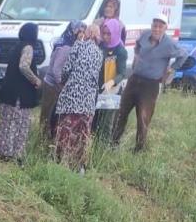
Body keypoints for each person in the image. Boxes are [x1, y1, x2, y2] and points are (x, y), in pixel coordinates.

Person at [112, 15, 188, 151]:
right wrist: (136, 56)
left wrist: (172, 68)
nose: (156, 29)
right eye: (155, 25)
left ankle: (139, 149)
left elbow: (184, 55)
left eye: (160, 26)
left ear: (165, 28)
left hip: (150, 84)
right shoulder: (145, 34)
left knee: (143, 117)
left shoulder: (169, 44)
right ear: (151, 26)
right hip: (134, 79)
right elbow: (137, 44)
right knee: (121, 112)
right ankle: (113, 143)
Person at [54, 25, 103, 171]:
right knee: (83, 132)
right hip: (88, 99)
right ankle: (79, 165)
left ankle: (62, 162)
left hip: (72, 96)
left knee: (67, 130)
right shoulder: (99, 53)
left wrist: (64, 81)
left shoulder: (78, 46)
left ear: (87, 34)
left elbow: (67, 69)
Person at [0, 22, 42, 163]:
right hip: (20, 95)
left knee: (7, 123)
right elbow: (23, 66)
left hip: (9, 91)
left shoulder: (17, 46)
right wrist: (35, 80)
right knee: (19, 123)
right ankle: (16, 154)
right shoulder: (28, 48)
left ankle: (4, 151)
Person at [39, 20, 86, 143]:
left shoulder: (65, 42)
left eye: (83, 32)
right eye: (80, 32)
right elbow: (56, 70)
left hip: (53, 84)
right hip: (53, 86)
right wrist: (62, 85)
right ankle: (44, 141)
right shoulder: (66, 47)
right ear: (74, 31)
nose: (82, 35)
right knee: (48, 115)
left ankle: (46, 140)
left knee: (49, 114)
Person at [94, 19, 128, 141]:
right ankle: (94, 143)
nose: (105, 36)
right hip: (98, 87)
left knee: (107, 121)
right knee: (96, 118)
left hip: (112, 90)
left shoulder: (120, 51)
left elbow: (122, 73)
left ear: (115, 33)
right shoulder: (101, 46)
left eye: (109, 34)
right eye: (104, 33)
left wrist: (112, 82)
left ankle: (104, 146)